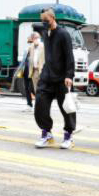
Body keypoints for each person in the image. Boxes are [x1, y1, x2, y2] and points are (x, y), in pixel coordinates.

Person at [31, 8, 77, 149]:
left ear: (53, 18)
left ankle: (68, 135)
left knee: (67, 108)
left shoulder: (63, 34)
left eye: (46, 20)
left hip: (62, 77)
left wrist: (69, 75)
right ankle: (46, 134)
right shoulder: (45, 32)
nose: (44, 23)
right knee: (40, 105)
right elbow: (34, 26)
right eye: (42, 20)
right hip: (47, 76)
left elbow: (69, 56)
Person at [20, 32, 44, 111]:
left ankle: (40, 104)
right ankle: (29, 104)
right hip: (27, 70)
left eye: (35, 38)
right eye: (33, 38)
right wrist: (20, 69)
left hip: (34, 70)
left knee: (33, 88)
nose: (31, 40)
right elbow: (24, 60)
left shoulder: (41, 46)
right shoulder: (29, 47)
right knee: (27, 88)